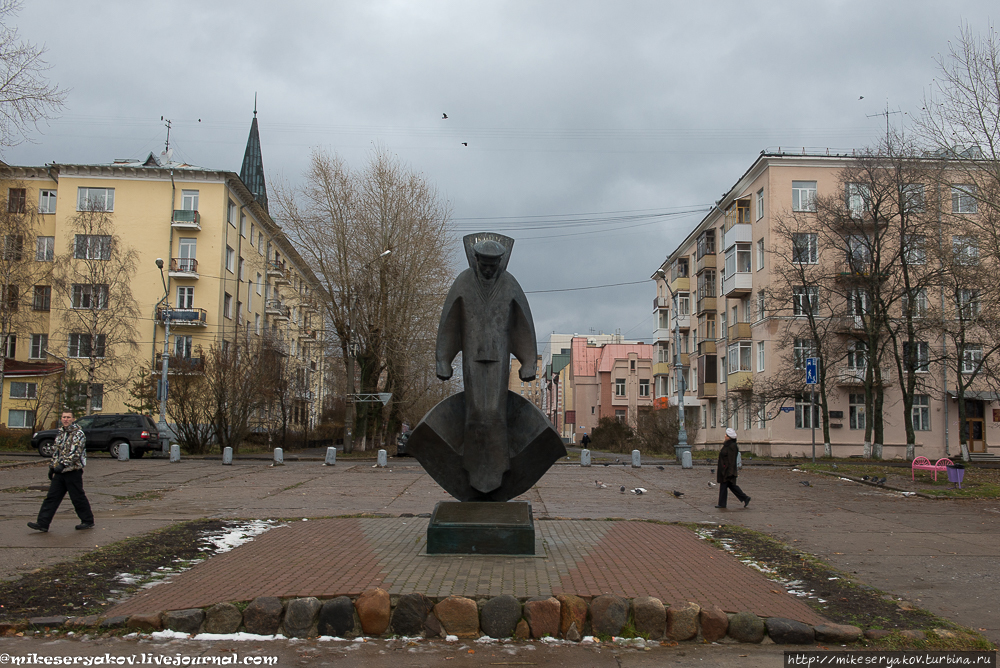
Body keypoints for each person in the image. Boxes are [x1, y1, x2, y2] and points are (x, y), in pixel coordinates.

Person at [28, 410, 95, 532]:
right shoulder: (61, 433)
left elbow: (76, 453)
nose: (66, 419)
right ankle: (43, 523)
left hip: (73, 470)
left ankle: (87, 520)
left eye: (68, 417)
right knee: (52, 497)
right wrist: (52, 466)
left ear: (73, 419)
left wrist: (63, 464)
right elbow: (57, 451)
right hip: (60, 472)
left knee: (77, 497)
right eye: (64, 417)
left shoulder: (78, 434)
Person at [715, 427, 750, 509]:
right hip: (724, 469)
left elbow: (731, 460)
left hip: (727, 470)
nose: (725, 436)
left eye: (726, 435)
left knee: (725, 486)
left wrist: (730, 472)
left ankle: (722, 503)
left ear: (729, 437)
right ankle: (745, 498)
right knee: (731, 486)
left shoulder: (732, 446)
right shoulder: (727, 445)